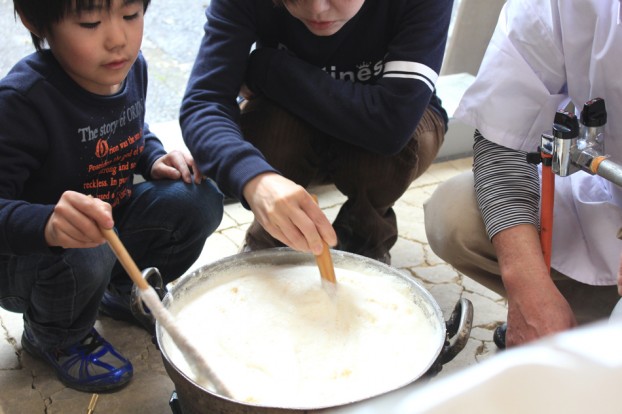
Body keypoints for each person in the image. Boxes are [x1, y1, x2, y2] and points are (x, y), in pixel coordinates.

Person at [0, 0, 223, 392]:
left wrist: (154, 156)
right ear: (35, 21)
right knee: (88, 248)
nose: (118, 39)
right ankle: (55, 335)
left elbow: (131, 128)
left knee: (198, 198)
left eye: (131, 15)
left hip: (106, 231)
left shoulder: (131, 68)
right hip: (31, 260)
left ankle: (120, 292)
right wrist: (48, 225)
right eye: (89, 23)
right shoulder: (21, 101)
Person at [180, 0, 453, 264]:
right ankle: (272, 236)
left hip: (388, 133)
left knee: (383, 158)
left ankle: (365, 235)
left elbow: (391, 125)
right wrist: (255, 179)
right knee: (272, 133)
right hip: (302, 114)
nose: (317, 9)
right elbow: (203, 103)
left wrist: (269, 68)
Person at [424, 0, 622, 349]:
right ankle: (572, 319)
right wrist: (528, 290)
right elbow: (505, 136)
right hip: (607, 205)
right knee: (454, 215)